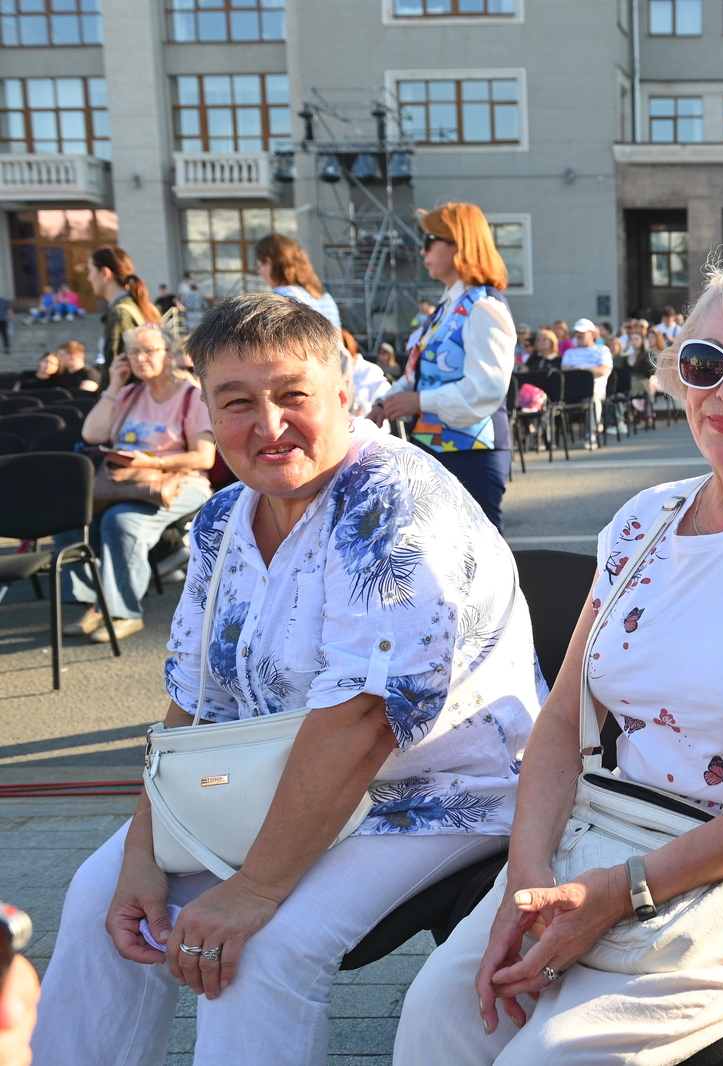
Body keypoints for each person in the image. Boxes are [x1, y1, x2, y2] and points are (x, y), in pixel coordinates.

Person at [393, 260, 723, 1066]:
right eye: (705, 363)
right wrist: (527, 876)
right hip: (608, 825)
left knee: (549, 1058)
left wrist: (624, 891)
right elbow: (563, 719)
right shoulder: (644, 519)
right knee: (439, 1016)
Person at [32, 292, 541, 1066]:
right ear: (207, 413)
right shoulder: (223, 516)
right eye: (238, 404)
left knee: (260, 947)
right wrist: (145, 850)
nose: (268, 427)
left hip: (436, 794)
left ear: (343, 394)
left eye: (292, 396)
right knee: (104, 899)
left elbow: (365, 722)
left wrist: (253, 891)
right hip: (279, 775)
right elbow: (193, 702)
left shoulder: (390, 506)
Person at [59, 324, 213, 643]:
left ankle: (126, 613)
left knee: (122, 521)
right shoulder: (129, 394)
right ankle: (97, 605)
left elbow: (203, 458)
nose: (140, 358)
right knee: (71, 518)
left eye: (149, 350)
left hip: (178, 482)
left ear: (169, 355)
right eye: (133, 352)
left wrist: (155, 462)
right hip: (126, 482)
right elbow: (92, 435)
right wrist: (114, 385)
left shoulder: (190, 395)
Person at [371, 202, 516, 530]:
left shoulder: (483, 306)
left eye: (429, 241)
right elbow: (417, 374)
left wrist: (419, 402)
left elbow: (487, 389)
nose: (422, 251)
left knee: (478, 556)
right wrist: (384, 403)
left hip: (472, 450)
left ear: (458, 244)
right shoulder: (449, 306)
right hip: (436, 445)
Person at [89, 246, 161, 365]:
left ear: (104, 273)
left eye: (90, 271)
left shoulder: (120, 312)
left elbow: (117, 368)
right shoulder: (144, 306)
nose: (89, 278)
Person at [256, 233, 341, 329]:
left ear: (269, 262)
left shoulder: (282, 296)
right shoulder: (325, 297)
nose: (260, 273)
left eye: (260, 266)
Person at [559, 318, 611, 449]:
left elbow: (602, 370)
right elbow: (565, 371)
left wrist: (580, 370)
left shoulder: (602, 350)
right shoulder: (570, 352)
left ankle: (591, 435)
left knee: (591, 397)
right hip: (572, 388)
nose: (579, 334)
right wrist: (587, 371)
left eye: (583, 332)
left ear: (592, 333)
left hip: (595, 387)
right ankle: (544, 439)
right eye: (577, 332)